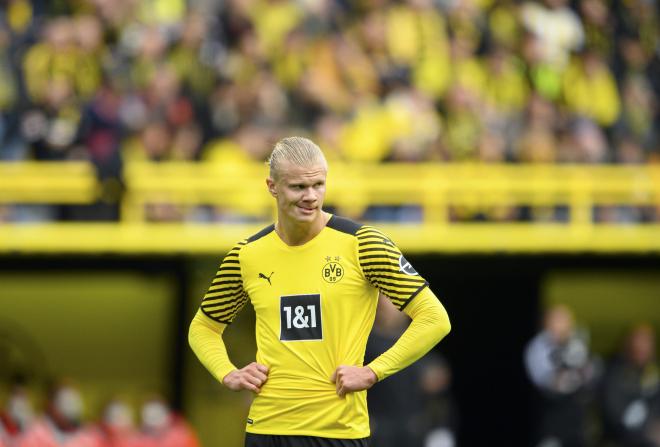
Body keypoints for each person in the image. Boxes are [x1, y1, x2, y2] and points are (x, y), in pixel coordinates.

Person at [188, 136, 451, 447]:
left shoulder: (363, 244)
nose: (311, 196)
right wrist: (227, 372)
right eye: (298, 187)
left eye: (319, 185)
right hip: (267, 430)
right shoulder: (248, 255)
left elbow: (435, 318)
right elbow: (203, 327)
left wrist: (372, 372)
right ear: (272, 186)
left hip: (337, 433)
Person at [524, 304, 599, 447]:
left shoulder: (578, 341)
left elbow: (590, 373)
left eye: (567, 321)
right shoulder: (537, 348)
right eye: (559, 320)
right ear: (547, 323)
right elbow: (552, 384)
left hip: (577, 416)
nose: (564, 326)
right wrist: (571, 373)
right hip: (550, 415)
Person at [599, 324, 660, 447]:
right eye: (639, 341)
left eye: (647, 342)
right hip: (622, 438)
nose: (643, 347)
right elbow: (615, 413)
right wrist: (648, 428)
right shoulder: (614, 372)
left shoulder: (654, 371)